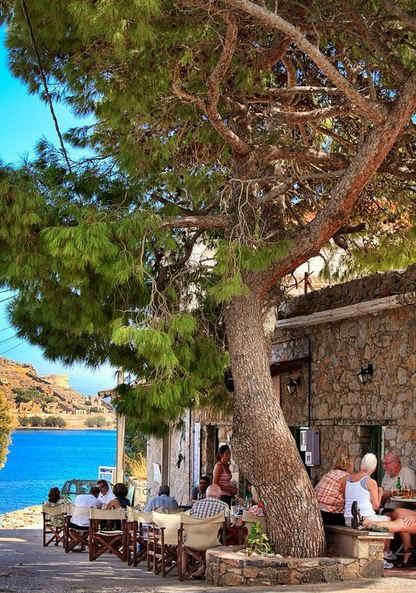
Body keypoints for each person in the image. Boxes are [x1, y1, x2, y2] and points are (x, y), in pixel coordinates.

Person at [344, 453, 385, 528]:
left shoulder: (348, 479)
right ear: (374, 467)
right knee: (390, 521)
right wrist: (380, 493)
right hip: (366, 519)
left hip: (347, 519)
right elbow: (376, 506)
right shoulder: (370, 482)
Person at [315, 455, 353, 526]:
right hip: (330, 515)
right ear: (350, 466)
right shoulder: (346, 477)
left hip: (317, 511)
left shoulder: (329, 473)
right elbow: (347, 499)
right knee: (350, 520)